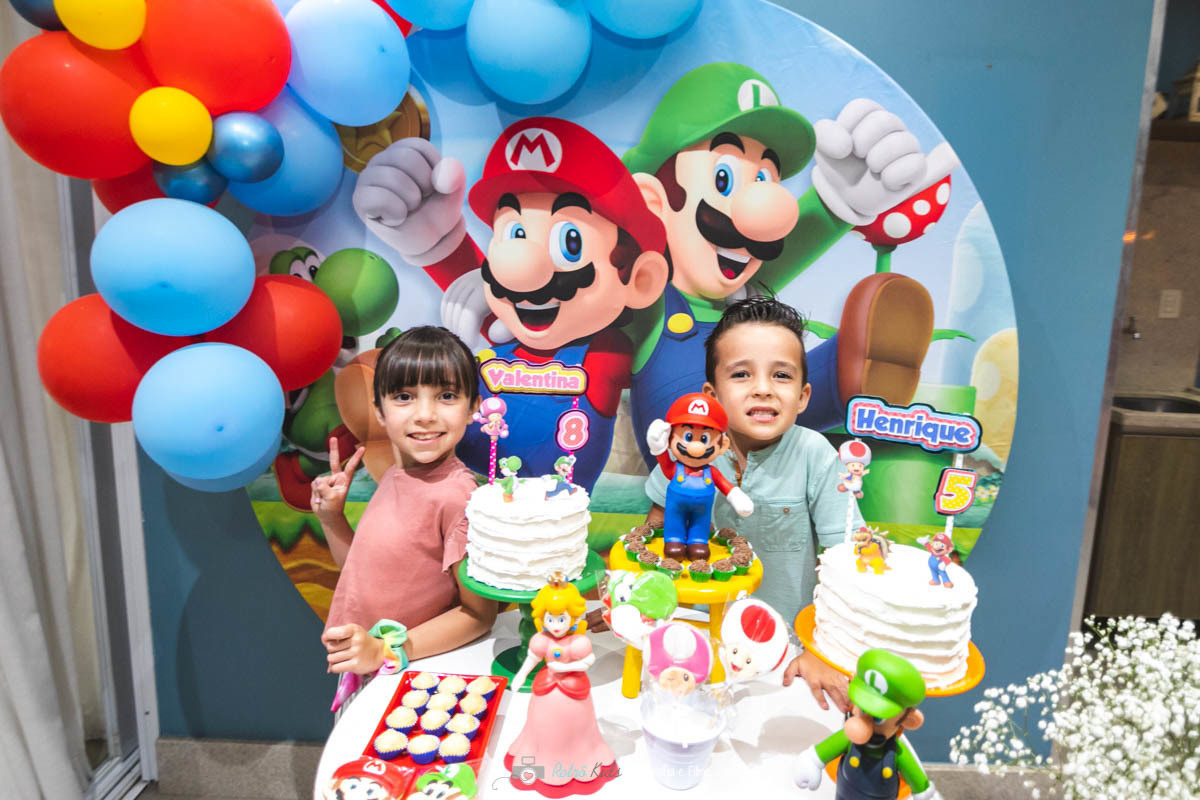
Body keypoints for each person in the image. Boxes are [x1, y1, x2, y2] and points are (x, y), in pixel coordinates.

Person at [644, 296, 861, 712]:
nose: (763, 387)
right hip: (692, 643)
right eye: (742, 374)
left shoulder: (817, 456)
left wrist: (821, 651)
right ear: (711, 394)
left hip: (786, 655)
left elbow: (844, 567)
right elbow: (652, 537)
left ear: (803, 395)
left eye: (781, 375)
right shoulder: (683, 451)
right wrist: (634, 602)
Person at [314, 326, 498, 678]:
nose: (424, 414)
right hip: (367, 668)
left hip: (412, 676)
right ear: (379, 411)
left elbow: (478, 615)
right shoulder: (397, 476)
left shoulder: (457, 497)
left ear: (473, 407)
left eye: (446, 396)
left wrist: (386, 649)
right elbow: (360, 576)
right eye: (403, 397)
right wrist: (332, 518)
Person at [506, 576, 617, 793]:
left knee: (578, 731)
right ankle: (540, 759)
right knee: (542, 728)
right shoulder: (541, 640)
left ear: (573, 617)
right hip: (545, 692)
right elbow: (532, 658)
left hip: (575, 692)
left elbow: (587, 662)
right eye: (551, 619)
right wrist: (520, 675)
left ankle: (580, 760)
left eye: (561, 619)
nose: (556, 626)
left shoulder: (578, 642)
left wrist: (564, 669)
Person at [793, 649, 942, 800]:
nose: (861, 726)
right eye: (862, 710)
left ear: (908, 720)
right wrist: (812, 761)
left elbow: (918, 783)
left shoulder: (897, 753)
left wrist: (926, 795)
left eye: (878, 719)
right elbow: (821, 752)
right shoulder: (850, 738)